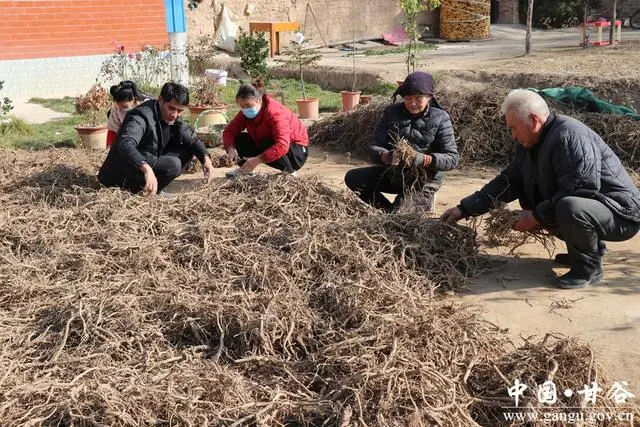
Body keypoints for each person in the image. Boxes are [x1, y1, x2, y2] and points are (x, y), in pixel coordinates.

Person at [441, 89, 640, 289]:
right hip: (595, 209)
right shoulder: (529, 144)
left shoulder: (569, 136)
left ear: (534, 120)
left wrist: (536, 217)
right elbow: (508, 182)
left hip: (621, 213)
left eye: (514, 128)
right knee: (534, 199)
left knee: (568, 206)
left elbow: (583, 189)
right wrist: (465, 208)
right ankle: (586, 248)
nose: (513, 135)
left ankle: (588, 268)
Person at [344, 71, 459, 212]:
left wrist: (424, 159)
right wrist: (386, 156)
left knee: (399, 217)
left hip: (423, 180)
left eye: (418, 98)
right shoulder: (391, 112)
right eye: (408, 98)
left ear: (429, 97)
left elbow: (452, 158)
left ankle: (409, 205)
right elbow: (373, 146)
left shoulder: (440, 117)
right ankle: (386, 212)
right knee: (353, 178)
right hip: (395, 174)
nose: (413, 103)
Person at [97, 82, 214, 196]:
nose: (175, 114)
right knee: (173, 164)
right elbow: (125, 143)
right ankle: (137, 190)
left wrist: (205, 158)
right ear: (160, 100)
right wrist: (146, 168)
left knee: (188, 149)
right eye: (171, 108)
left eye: (180, 111)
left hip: (148, 156)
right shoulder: (141, 116)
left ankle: (152, 189)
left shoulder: (173, 116)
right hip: (121, 171)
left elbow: (191, 138)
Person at [222, 79, 309, 177]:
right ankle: (245, 169)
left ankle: (290, 173)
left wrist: (258, 159)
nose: (245, 109)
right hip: (270, 144)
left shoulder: (275, 113)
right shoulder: (245, 113)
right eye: (242, 106)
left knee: (264, 143)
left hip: (296, 152)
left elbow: (282, 145)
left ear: (259, 100)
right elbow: (229, 131)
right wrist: (230, 147)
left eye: (248, 105)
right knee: (240, 138)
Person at [106, 80, 146, 147]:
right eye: (119, 105)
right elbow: (113, 129)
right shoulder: (116, 107)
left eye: (124, 106)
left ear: (132, 100)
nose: (121, 108)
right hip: (125, 139)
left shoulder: (145, 105)